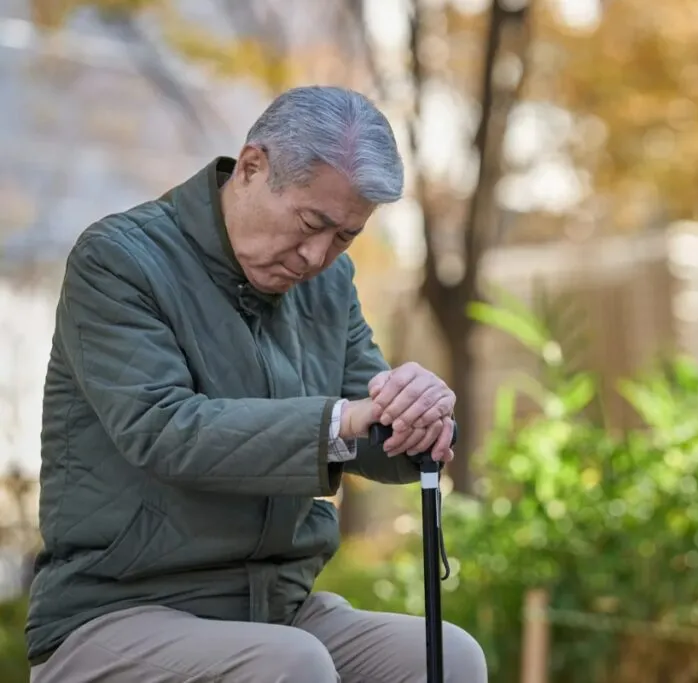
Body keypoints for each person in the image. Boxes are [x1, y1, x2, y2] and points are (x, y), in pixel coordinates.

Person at [25, 85, 487, 683]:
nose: (318, 256)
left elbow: (373, 424)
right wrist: (339, 420)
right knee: (292, 665)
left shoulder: (328, 283)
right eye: (311, 222)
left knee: (447, 659)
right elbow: (165, 430)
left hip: (277, 607)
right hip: (118, 609)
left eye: (344, 236)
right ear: (251, 168)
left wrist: (418, 414)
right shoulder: (119, 261)